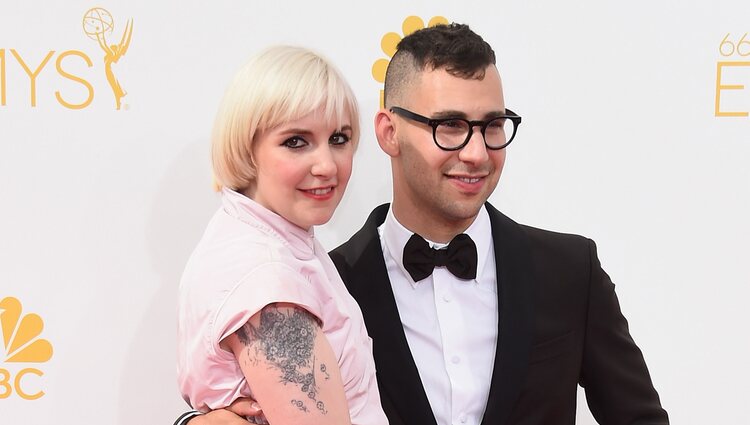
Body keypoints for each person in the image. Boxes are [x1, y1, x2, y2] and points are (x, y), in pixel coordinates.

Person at [177, 24, 669, 425]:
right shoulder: (330, 281)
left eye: (492, 126)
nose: (476, 153)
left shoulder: (569, 271)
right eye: (449, 126)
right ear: (389, 133)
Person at [176, 45, 388, 425]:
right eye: (296, 141)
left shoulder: (267, 240)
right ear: (247, 148)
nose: (327, 165)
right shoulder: (264, 277)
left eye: (339, 138)